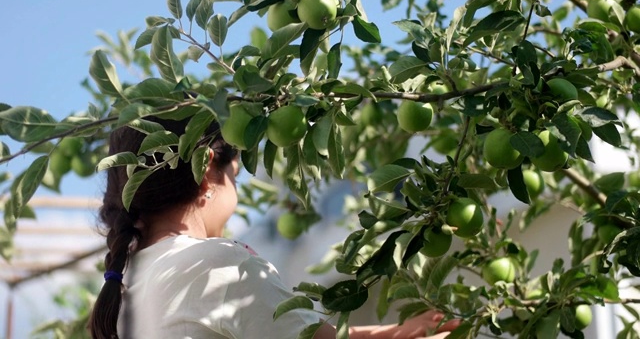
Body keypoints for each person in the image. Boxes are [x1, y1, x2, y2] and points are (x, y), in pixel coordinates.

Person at [88, 115, 460, 338]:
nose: (235, 188)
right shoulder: (216, 264)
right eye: (233, 177)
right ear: (206, 173)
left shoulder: (127, 280)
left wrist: (393, 332)